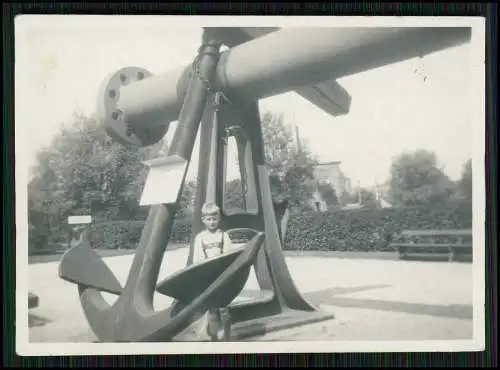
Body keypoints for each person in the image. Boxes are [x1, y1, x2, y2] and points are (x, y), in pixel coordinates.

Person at [192, 202, 233, 341]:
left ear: (219, 219)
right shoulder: (200, 238)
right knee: (212, 308)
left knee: (224, 307)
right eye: (209, 219)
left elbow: (228, 256)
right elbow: (197, 259)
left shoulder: (224, 236)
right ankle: (214, 336)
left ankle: (225, 334)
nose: (212, 222)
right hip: (208, 277)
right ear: (203, 220)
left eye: (214, 219)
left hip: (222, 275)